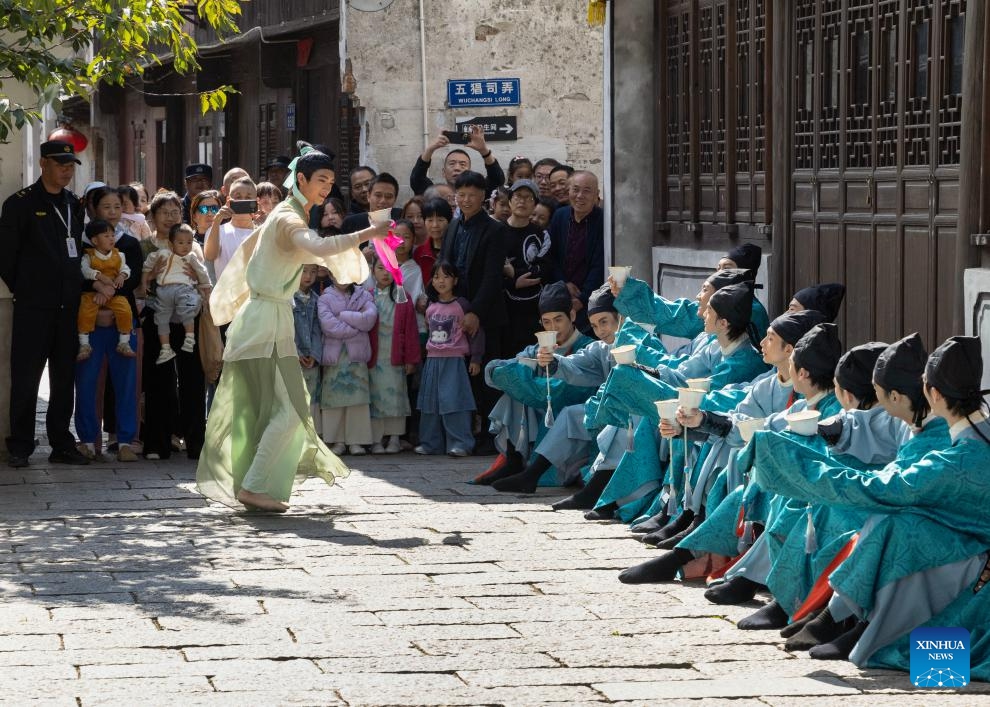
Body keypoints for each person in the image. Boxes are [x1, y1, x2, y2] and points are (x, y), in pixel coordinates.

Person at [750, 336, 990, 673]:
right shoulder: (977, 431)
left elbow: (883, 486)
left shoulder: (956, 458)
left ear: (934, 394)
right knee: (896, 524)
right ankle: (846, 619)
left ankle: (852, 623)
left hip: (979, 564)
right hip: (965, 539)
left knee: (896, 528)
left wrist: (794, 464)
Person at [197, 149, 390, 512]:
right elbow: (318, 247)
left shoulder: (290, 215)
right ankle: (253, 486)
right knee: (285, 410)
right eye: (321, 181)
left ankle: (254, 485)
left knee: (272, 409)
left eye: (331, 183)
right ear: (300, 180)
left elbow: (317, 252)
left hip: (267, 318)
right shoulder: (288, 217)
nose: (326, 188)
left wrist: (359, 241)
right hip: (263, 321)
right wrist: (368, 232)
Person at [0, 140, 90, 467]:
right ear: (43, 163)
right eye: (60, 163)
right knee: (26, 377)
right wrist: (27, 288)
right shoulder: (20, 204)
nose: (66, 170)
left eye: (71, 165)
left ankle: (61, 444)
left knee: (64, 378)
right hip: (33, 306)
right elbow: (6, 257)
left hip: (69, 306)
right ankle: (20, 445)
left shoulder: (74, 204)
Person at [481, 284, 620, 493]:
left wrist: (528, 381)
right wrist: (551, 363)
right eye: (547, 322)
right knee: (515, 392)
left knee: (567, 411)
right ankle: (516, 460)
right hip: (559, 417)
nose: (553, 328)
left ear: (572, 316)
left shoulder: (596, 344)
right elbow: (572, 365)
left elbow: (565, 388)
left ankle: (536, 474)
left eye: (558, 320)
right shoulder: (592, 348)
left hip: (599, 419)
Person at [439, 171, 508, 449]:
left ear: (483, 197)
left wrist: (475, 312)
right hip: (455, 311)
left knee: (487, 374)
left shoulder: (495, 229)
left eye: (472, 195)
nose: (466, 200)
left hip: (486, 314)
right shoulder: (454, 227)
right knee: (462, 374)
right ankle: (463, 432)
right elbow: (445, 261)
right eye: (462, 194)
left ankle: (490, 435)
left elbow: (493, 276)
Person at [416, 261, 484, 456]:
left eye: (446, 276)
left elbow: (476, 332)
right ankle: (430, 444)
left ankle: (461, 443)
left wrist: (476, 359)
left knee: (455, 401)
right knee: (430, 403)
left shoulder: (463, 305)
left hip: (454, 360)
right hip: (432, 360)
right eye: (436, 276)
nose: (441, 281)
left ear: (455, 280)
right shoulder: (430, 306)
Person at [318, 273, 377, 456]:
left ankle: (356, 441)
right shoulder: (324, 297)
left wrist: (342, 315)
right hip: (335, 356)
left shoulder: (363, 294)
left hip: (356, 355)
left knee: (357, 399)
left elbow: (369, 319)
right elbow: (328, 325)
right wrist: (355, 327)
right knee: (334, 400)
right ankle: (337, 440)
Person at [368, 255, 420, 454]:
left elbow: (411, 331)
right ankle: (376, 439)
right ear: (373, 271)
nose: (385, 273)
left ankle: (395, 438)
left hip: (395, 355)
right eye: (380, 268)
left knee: (396, 396)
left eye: (390, 269)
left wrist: (411, 359)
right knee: (376, 397)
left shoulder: (403, 296)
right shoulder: (367, 296)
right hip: (374, 355)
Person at [142, 224, 212, 364]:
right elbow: (148, 265)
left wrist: (205, 287)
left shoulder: (191, 257)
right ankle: (165, 348)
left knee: (187, 308)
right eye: (180, 242)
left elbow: (202, 272)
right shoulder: (163, 254)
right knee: (161, 317)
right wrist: (145, 281)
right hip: (163, 291)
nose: (185, 246)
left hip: (183, 289)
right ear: (171, 243)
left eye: (189, 242)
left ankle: (189, 337)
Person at [547, 170, 604, 326]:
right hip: (561, 295)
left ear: (596, 194)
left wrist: (582, 298)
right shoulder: (560, 216)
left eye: (587, 191)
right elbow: (550, 256)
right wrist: (563, 283)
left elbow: (599, 265)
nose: (580, 196)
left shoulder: (603, 221)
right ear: (569, 191)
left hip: (592, 300)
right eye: (576, 189)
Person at [501, 179, 550, 356]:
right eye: (517, 196)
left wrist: (514, 273)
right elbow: (492, 271)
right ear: (509, 200)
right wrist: (513, 282)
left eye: (528, 198)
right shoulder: (496, 232)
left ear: (535, 204)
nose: (522, 201)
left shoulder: (541, 234)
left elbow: (543, 269)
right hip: (504, 311)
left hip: (533, 310)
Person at [77, 219, 137, 360]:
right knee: (85, 310)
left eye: (112, 235)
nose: (111, 239)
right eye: (106, 236)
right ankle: (84, 344)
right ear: (95, 241)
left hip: (113, 293)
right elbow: (84, 270)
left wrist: (122, 275)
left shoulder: (119, 255)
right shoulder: (88, 256)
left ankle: (124, 342)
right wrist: (99, 277)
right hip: (93, 293)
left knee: (125, 310)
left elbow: (126, 268)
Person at [411, 125, 505, 196]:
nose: (457, 168)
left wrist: (484, 151)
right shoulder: (435, 194)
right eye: (452, 164)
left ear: (469, 171)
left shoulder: (478, 195)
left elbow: (497, 180)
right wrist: (430, 149)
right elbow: (417, 179)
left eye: (462, 164)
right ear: (443, 172)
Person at [205, 176, 258, 281]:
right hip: (226, 295)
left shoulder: (263, 231)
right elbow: (210, 256)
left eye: (248, 198)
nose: (243, 201)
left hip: (254, 295)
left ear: (256, 201)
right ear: (228, 200)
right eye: (238, 197)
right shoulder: (216, 230)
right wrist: (217, 220)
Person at [292, 264, 323, 427]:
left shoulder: (317, 299)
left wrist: (315, 354)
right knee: (294, 396)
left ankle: (312, 434)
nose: (308, 276)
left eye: (313, 272)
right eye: (303, 270)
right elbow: (286, 330)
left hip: (311, 357)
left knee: (312, 396)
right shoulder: (287, 299)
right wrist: (295, 352)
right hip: (292, 357)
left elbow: (318, 330)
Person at [413, 197, 451, 285]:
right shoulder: (419, 253)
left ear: (449, 222)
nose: (435, 225)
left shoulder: (457, 250)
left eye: (440, 220)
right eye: (430, 220)